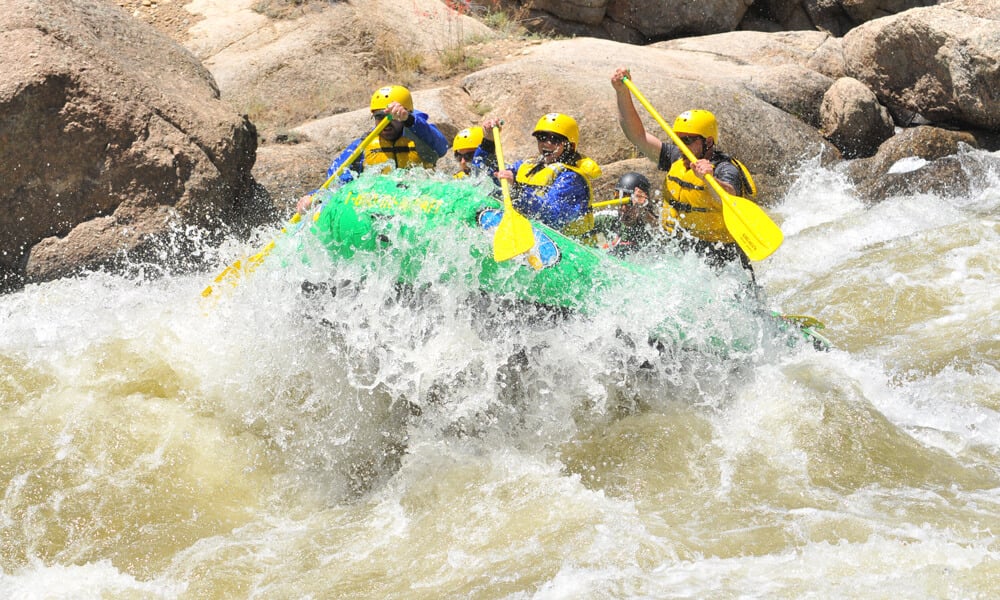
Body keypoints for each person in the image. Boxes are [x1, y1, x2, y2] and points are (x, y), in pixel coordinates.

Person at [610, 67, 758, 279]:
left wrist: (709, 180)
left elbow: (729, 197)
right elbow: (637, 136)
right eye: (678, 138)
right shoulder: (676, 158)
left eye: (687, 140)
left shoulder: (726, 168)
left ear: (707, 142)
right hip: (682, 248)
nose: (681, 145)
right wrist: (621, 92)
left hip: (722, 255)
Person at [296, 84, 448, 213]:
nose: (385, 122)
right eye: (379, 117)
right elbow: (337, 182)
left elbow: (441, 147)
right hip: (381, 210)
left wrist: (409, 120)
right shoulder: (362, 146)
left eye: (392, 117)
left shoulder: (422, 138)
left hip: (419, 205)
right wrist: (315, 197)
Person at [477, 113, 602, 236]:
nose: (546, 143)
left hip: (570, 247)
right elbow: (481, 175)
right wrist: (488, 142)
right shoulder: (526, 166)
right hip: (535, 233)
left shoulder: (572, 179)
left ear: (570, 145)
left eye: (554, 139)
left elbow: (553, 216)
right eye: (542, 137)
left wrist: (517, 188)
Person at [591, 172, 664, 256]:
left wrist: (642, 207)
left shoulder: (649, 224)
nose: (624, 208)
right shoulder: (609, 219)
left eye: (629, 203)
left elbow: (662, 232)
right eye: (621, 201)